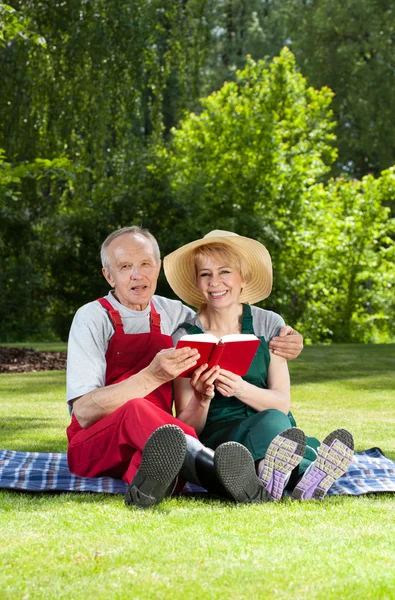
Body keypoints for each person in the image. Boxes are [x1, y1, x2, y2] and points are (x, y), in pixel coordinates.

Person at [66, 226, 303, 509]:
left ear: (158, 267)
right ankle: (218, 475)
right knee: (138, 410)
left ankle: (154, 486)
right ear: (109, 275)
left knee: (163, 451)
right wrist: (153, 376)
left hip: (156, 440)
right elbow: (83, 412)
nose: (136, 275)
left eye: (145, 264)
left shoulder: (177, 315)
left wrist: (291, 342)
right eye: (125, 266)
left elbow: (223, 317)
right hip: (97, 444)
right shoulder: (92, 317)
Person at [164, 230, 354, 501]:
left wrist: (240, 388)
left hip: (271, 422)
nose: (215, 282)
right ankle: (300, 474)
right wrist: (202, 398)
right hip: (221, 436)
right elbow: (187, 425)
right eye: (205, 274)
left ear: (244, 278)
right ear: (197, 282)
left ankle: (276, 476)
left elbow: (281, 402)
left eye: (225, 272)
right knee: (274, 436)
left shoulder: (268, 323)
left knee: (277, 421)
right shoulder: (184, 337)